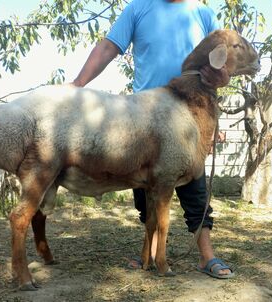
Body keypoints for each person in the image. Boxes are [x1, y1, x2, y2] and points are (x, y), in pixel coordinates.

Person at [73, 0, 234, 279]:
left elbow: (223, 64)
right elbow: (109, 46)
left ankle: (207, 256)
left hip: (190, 116)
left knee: (195, 194)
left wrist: (222, 77)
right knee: (145, 191)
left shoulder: (203, 13)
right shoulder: (138, 8)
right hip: (145, 118)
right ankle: (150, 254)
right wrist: (77, 85)